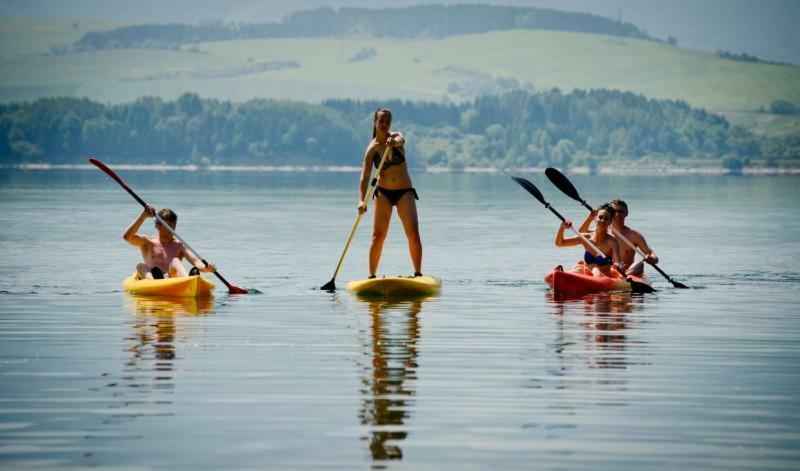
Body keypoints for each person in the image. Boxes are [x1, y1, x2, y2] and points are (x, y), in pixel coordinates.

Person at [357, 107, 423, 278]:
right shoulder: (372, 149)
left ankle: (417, 274)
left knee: (414, 234)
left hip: (404, 192)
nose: (385, 124)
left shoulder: (396, 137)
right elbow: (365, 177)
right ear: (375, 122)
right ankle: (372, 277)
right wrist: (361, 201)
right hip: (383, 193)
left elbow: (401, 140)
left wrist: (394, 142)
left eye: (388, 121)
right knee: (378, 236)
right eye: (382, 121)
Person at [123, 205, 215, 279]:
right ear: (158, 225)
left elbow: (196, 262)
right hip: (151, 279)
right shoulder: (147, 242)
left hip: (171, 279)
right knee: (140, 266)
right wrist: (143, 216)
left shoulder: (180, 245)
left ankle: (188, 280)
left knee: (175, 261)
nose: (171, 229)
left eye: (173, 225)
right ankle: (156, 282)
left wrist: (207, 268)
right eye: (168, 225)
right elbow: (127, 237)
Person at [555, 205, 624, 277]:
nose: (603, 220)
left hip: (603, 275)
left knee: (596, 270)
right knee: (577, 269)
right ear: (595, 218)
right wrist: (562, 228)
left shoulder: (612, 241)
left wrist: (618, 265)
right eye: (600, 217)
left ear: (610, 222)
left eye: (606, 219)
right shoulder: (586, 238)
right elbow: (560, 243)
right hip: (586, 272)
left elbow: (618, 261)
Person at [608, 199, 658, 276]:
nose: (617, 214)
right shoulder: (602, 231)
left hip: (627, 272)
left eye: (620, 211)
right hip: (607, 270)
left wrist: (651, 259)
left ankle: (623, 277)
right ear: (610, 213)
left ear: (626, 213)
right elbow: (582, 237)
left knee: (640, 264)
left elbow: (654, 256)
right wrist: (590, 217)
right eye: (614, 211)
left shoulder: (634, 235)